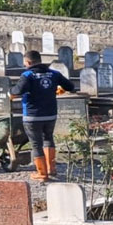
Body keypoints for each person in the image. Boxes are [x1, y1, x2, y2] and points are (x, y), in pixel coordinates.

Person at [12, 50, 75, 181]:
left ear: (28, 62)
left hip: (32, 116)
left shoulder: (28, 74)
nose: (25, 65)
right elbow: (70, 86)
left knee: (36, 144)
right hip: (50, 115)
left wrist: (9, 93)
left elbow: (18, 90)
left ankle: (42, 173)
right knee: (48, 139)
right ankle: (51, 169)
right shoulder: (54, 73)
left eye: (25, 63)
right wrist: (59, 89)